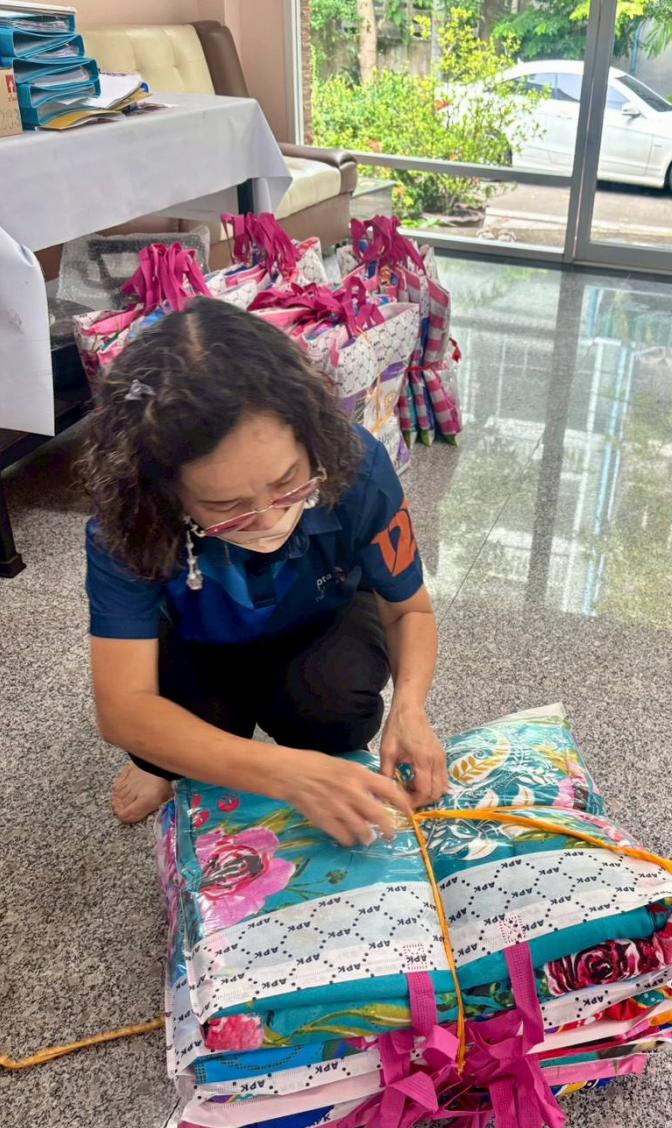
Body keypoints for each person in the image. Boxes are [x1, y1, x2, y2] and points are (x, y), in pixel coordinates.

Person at [80, 296, 446, 845]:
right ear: (164, 492)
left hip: (319, 621)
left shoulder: (355, 464)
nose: (270, 518)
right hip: (196, 640)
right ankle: (163, 769)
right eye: (225, 506)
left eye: (288, 481)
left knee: (336, 710)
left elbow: (409, 611)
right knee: (173, 732)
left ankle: (276, 743)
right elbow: (123, 708)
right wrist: (287, 774)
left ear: (311, 439)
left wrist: (411, 710)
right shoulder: (128, 521)